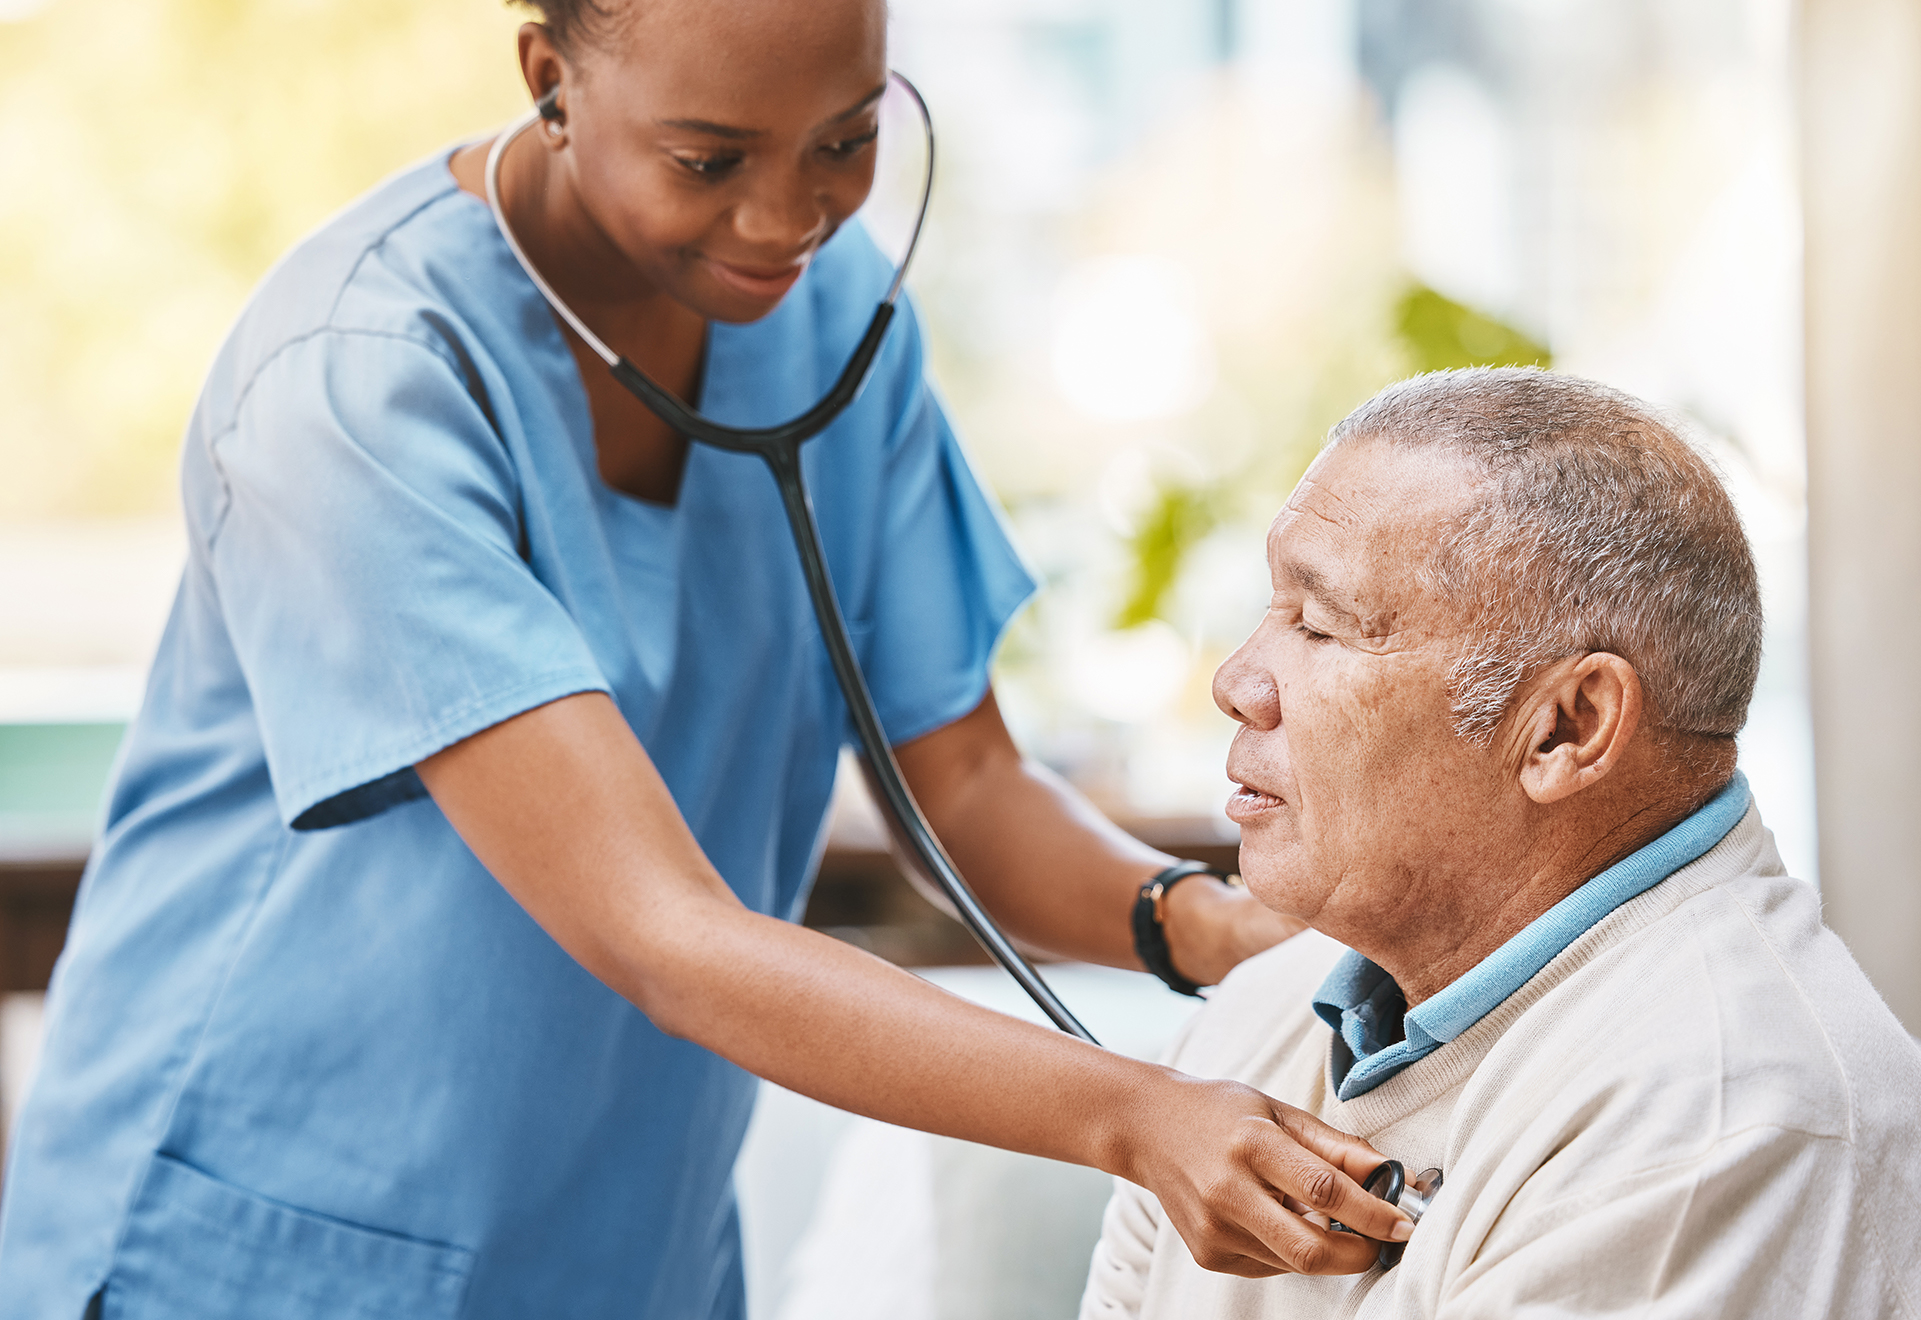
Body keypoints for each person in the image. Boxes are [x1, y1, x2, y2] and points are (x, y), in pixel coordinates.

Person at [0, 2, 1431, 1316]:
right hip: (266, 1239)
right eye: (707, 158)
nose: (785, 216)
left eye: (847, 139)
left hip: (619, 1237)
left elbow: (971, 784)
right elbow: (655, 928)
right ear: (549, 82)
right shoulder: (357, 376)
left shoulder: (825, 312)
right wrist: (1137, 1117)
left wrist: (1210, 930)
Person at [1079, 368, 1921, 1320]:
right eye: (1272, 611)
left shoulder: (1720, 1116)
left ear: (1565, 727)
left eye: (1318, 626)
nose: (1238, 681)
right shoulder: (1258, 1017)